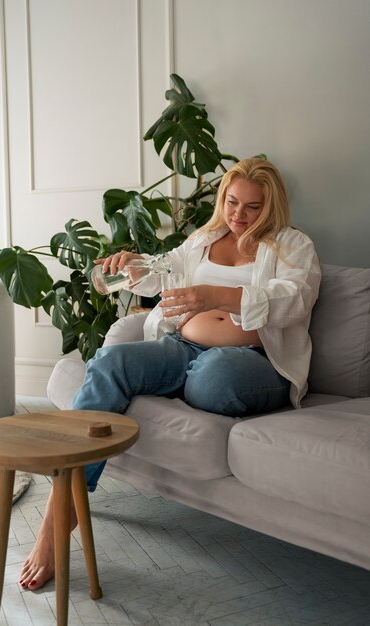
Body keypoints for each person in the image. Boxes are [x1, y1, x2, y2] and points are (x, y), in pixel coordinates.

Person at [19, 157, 321, 590]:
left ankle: (188, 381)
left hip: (254, 363)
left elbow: (293, 300)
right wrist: (134, 266)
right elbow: (161, 272)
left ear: (272, 207)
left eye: (253, 207)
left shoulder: (293, 247)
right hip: (182, 346)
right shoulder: (204, 239)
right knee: (110, 362)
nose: (239, 215)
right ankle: (59, 513)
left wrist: (213, 294)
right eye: (232, 202)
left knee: (213, 376)